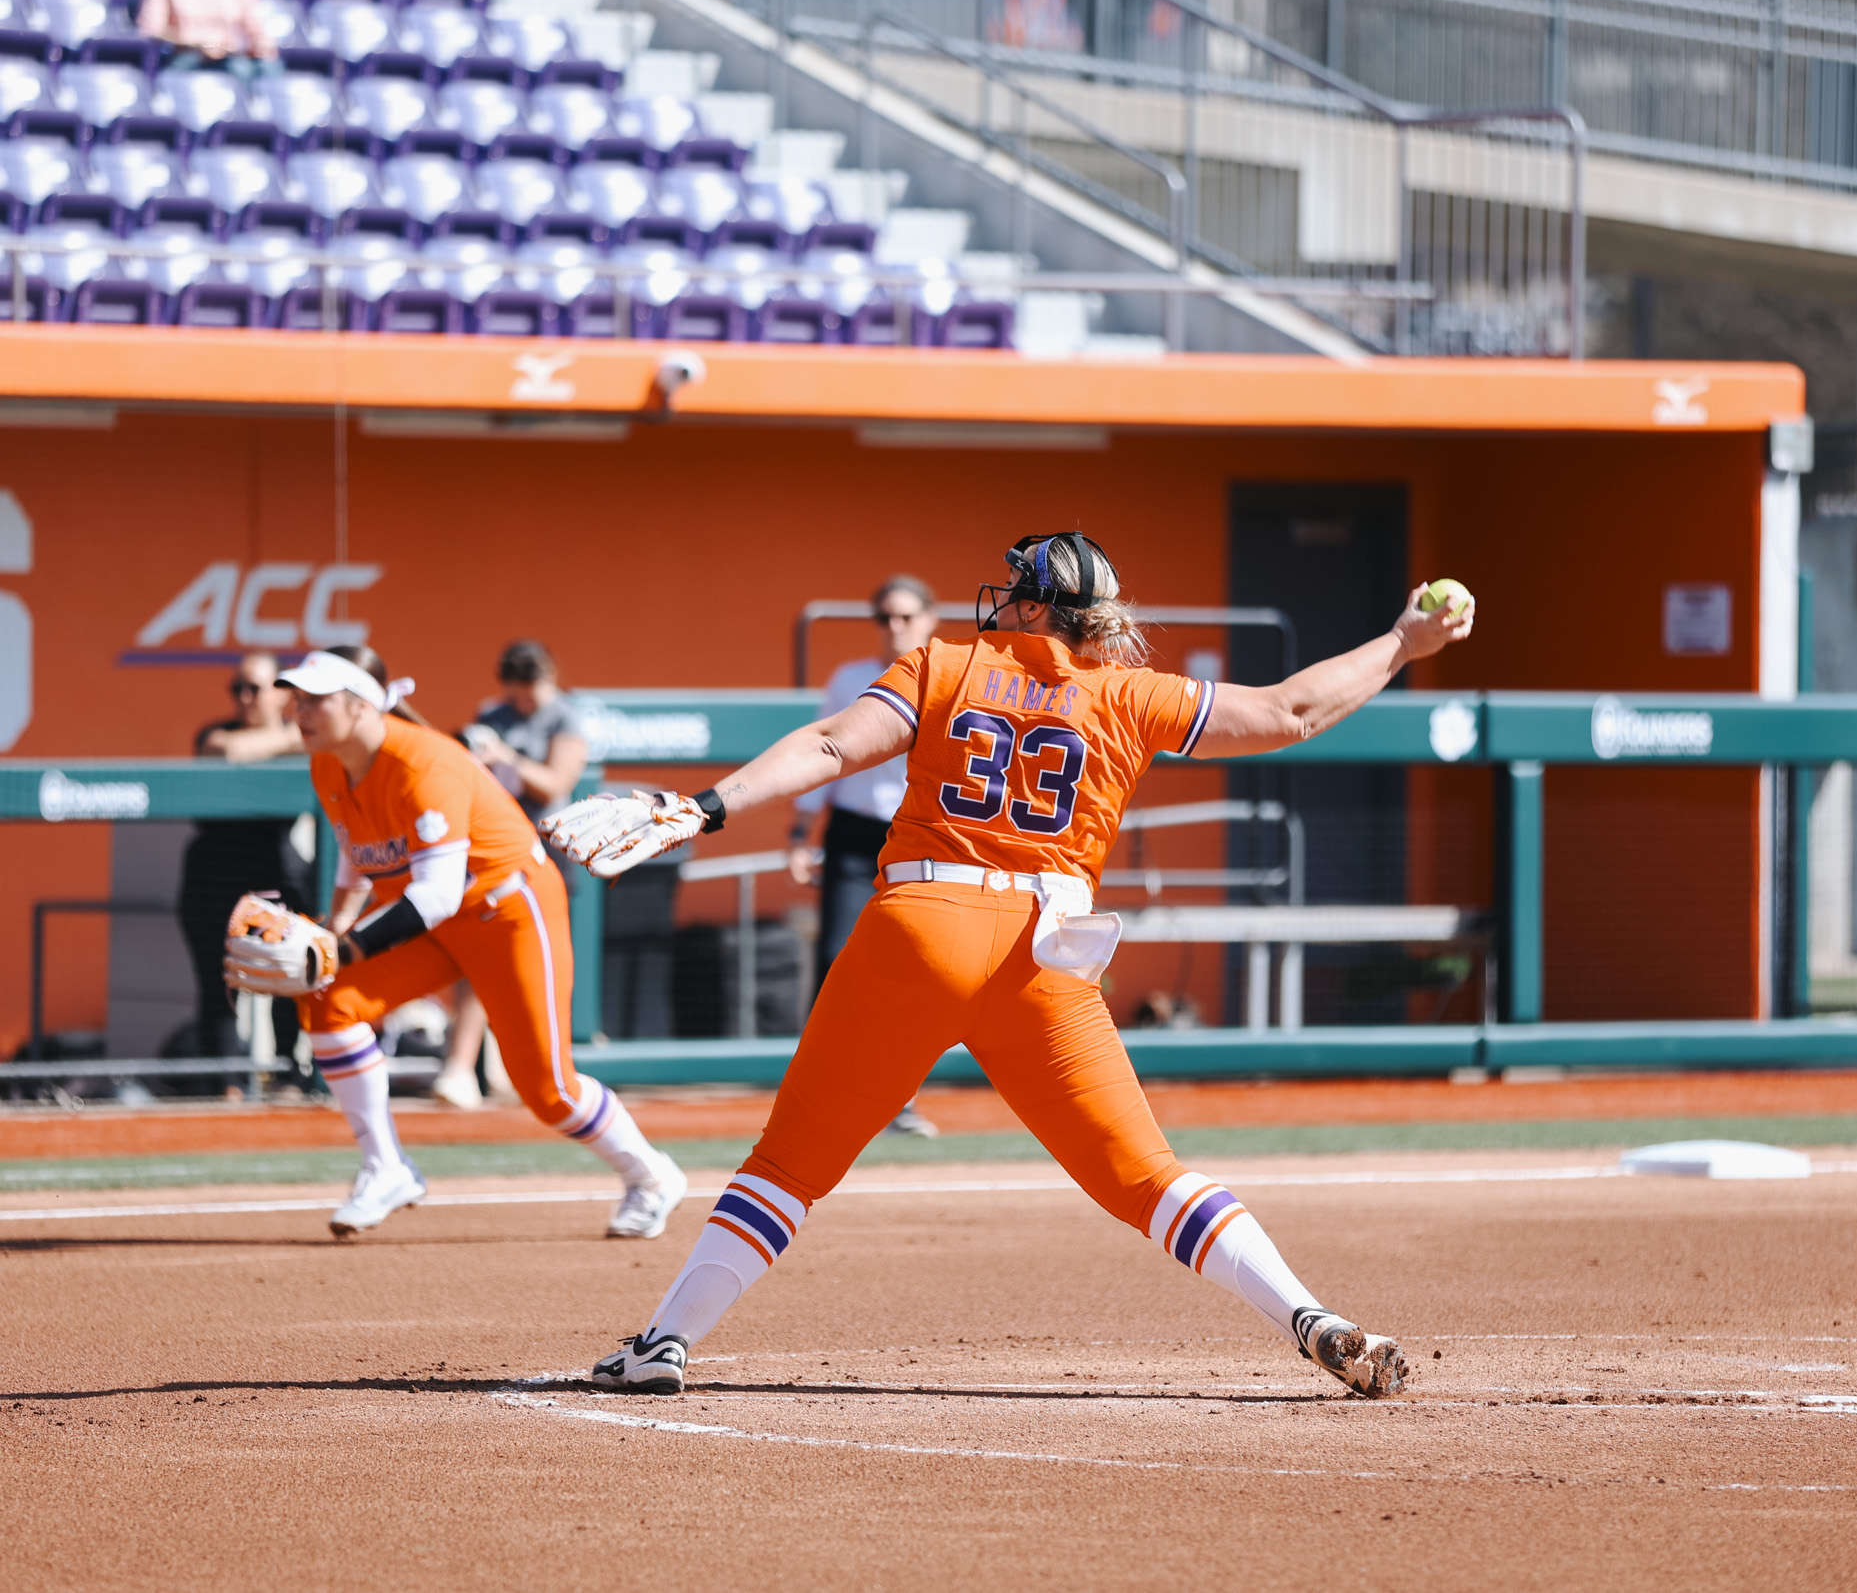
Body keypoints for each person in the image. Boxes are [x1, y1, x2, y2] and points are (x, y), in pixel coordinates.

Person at [545, 533, 1476, 1398]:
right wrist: (1404, 640)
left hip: (923, 925)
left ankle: (664, 1343)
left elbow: (831, 745)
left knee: (787, 1165)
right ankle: (1309, 1315)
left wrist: (705, 807)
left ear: (1034, 606)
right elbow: (1290, 709)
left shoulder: (946, 663)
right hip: (1047, 952)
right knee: (1148, 1178)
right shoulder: (1129, 691)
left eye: (1015, 594)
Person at [235, 644, 685, 1239]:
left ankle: (652, 1175)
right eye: (298, 700)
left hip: (508, 911)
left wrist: (346, 948)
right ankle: (386, 1168)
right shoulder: (328, 765)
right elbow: (354, 858)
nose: (300, 712)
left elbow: (437, 893)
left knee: (548, 1090)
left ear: (362, 705)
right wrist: (334, 929)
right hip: (439, 921)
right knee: (329, 999)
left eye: (316, 700)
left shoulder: (424, 763)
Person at [789, 575, 942, 1138]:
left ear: (929, 619)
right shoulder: (850, 679)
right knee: (836, 959)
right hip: (854, 835)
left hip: (921, 836)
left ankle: (898, 1099)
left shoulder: (950, 676)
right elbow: (824, 755)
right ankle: (819, 1095)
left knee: (913, 970)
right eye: (884, 617)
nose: (894, 627)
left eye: (905, 616)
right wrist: (800, 833)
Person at [434, 640, 590, 1110]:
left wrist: (507, 756)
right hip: (492, 853)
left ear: (548, 677)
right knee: (480, 957)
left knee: (537, 966)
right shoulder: (492, 712)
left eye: (529, 689)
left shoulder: (565, 717)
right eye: (515, 690)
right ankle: (467, 1068)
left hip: (546, 855)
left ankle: (538, 1071)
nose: (522, 700)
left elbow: (557, 783)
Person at [175, 651, 311, 1073]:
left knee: (289, 970)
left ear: (282, 693)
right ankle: (226, 1084)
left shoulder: (304, 738)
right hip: (214, 872)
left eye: (255, 688)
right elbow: (226, 751)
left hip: (274, 867)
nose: (245, 698)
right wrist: (295, 738)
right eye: (237, 688)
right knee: (220, 984)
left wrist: (301, 737)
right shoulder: (217, 733)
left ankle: (289, 1071)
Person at [136, 0, 278, 80]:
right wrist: (198, 44)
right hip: (186, 55)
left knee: (264, 68)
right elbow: (152, 29)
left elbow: (254, 23)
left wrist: (261, 45)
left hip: (231, 56)